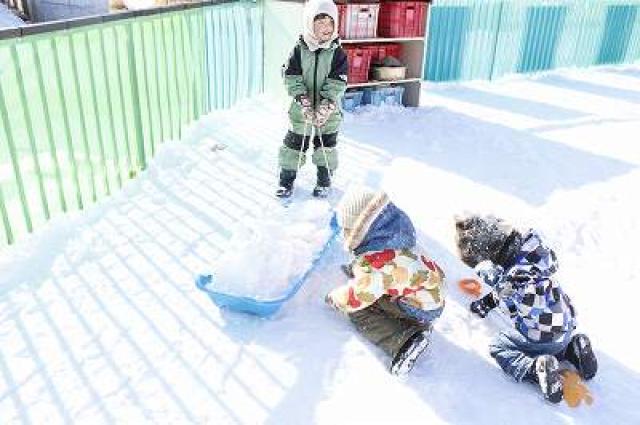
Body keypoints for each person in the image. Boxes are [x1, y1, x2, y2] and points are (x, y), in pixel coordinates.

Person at [454, 213, 598, 403]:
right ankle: (573, 349)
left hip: (543, 336)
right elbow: (517, 289)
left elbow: (511, 303)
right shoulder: (533, 251)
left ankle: (535, 369)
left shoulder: (512, 281)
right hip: (566, 324)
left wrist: (493, 288)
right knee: (554, 335)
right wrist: (492, 298)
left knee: (499, 346)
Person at [325, 188, 447, 376]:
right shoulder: (397, 233)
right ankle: (415, 322)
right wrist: (363, 271)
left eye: (346, 230)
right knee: (379, 282)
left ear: (357, 230)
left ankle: (404, 341)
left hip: (421, 307)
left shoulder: (374, 264)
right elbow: (392, 268)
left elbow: (358, 297)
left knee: (360, 310)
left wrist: (335, 298)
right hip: (431, 291)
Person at [276, 0, 348, 199]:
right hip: (302, 110)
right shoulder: (299, 50)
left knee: (326, 147)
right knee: (294, 144)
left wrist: (327, 105)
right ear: (309, 23)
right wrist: (303, 100)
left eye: (330, 22)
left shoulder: (338, 53)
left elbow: (337, 82)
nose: (326, 27)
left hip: (329, 111)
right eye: (320, 22)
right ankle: (286, 180)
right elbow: (291, 77)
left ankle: (324, 181)